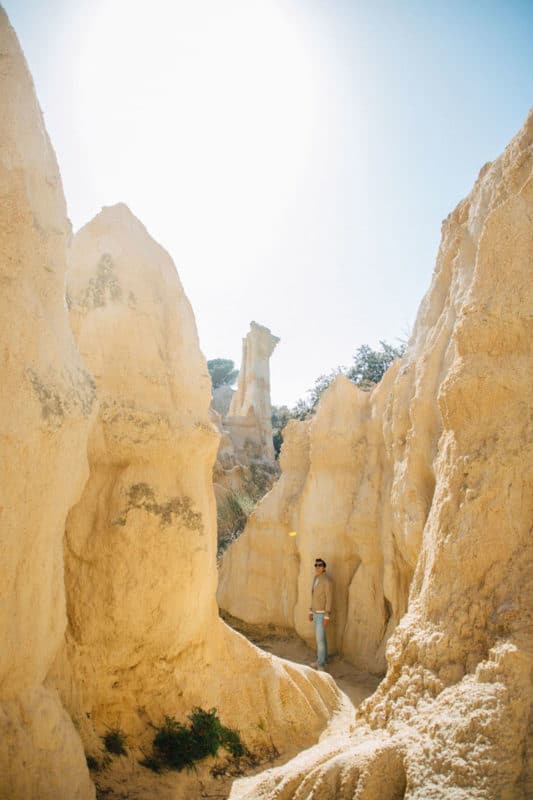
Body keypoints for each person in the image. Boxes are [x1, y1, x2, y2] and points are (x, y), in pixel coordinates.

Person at [308, 557, 332, 670]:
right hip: (315, 613)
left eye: (320, 565)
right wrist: (310, 611)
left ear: (324, 567)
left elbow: (329, 598)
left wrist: (327, 615)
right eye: (316, 565)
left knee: (319, 639)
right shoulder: (315, 578)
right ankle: (324, 659)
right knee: (322, 638)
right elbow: (313, 596)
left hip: (322, 614)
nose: (317, 567)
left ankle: (320, 663)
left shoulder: (326, 581)